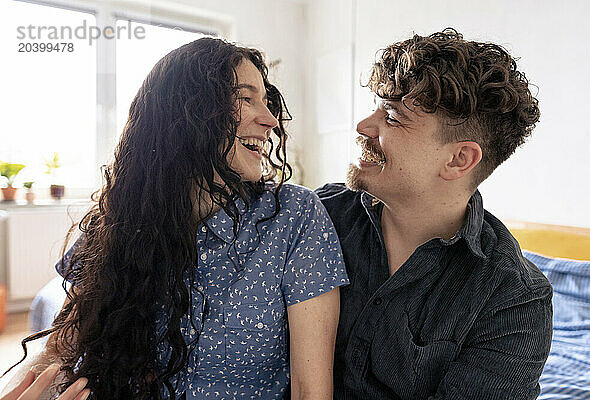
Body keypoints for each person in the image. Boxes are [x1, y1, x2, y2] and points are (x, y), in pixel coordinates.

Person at [3, 37, 348, 399]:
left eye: (267, 101)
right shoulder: (116, 219)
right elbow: (58, 347)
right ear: (188, 113)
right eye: (246, 99)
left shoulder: (295, 215)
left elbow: (311, 391)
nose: (270, 120)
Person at [316, 28, 552, 399]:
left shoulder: (513, 299)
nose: (362, 127)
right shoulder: (318, 218)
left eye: (392, 117)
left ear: (458, 159)